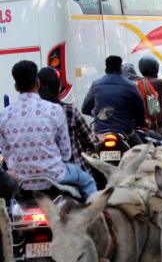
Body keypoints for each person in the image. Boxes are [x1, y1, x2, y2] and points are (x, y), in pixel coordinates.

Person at [0, 61, 97, 202]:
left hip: (21, 179)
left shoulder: (4, 115)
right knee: (87, 181)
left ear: (16, 87)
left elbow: (7, 155)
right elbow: (65, 153)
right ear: (37, 83)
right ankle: (94, 217)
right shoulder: (54, 110)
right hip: (55, 176)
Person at [37, 67, 103, 177]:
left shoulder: (30, 113)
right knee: (91, 185)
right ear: (59, 86)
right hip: (70, 170)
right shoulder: (68, 110)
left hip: (38, 174)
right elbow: (89, 140)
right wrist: (100, 138)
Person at [82, 55, 147, 147]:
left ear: (105, 70)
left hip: (100, 131)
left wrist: (92, 112)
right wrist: (141, 123)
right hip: (125, 131)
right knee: (142, 153)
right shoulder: (130, 86)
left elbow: (85, 108)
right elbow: (140, 110)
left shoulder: (95, 85)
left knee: (88, 156)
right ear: (121, 71)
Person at [121, 63, 159, 131]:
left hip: (124, 124)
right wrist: (155, 121)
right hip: (144, 124)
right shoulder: (144, 82)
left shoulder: (120, 84)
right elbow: (154, 99)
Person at [138, 56, 162, 133]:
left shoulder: (138, 83)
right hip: (159, 124)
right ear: (156, 68)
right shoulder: (160, 83)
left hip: (141, 123)